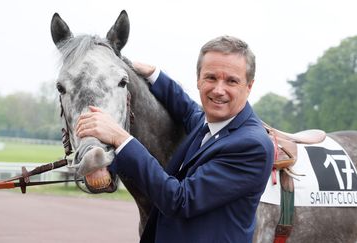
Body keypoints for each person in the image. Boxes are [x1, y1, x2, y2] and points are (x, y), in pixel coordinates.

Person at [76, 35, 274, 243]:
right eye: (211, 78)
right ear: (198, 80)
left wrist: (121, 138)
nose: (218, 90)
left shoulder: (252, 145)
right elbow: (188, 111)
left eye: (231, 81)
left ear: (249, 86)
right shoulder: (210, 123)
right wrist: (155, 75)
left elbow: (180, 200)